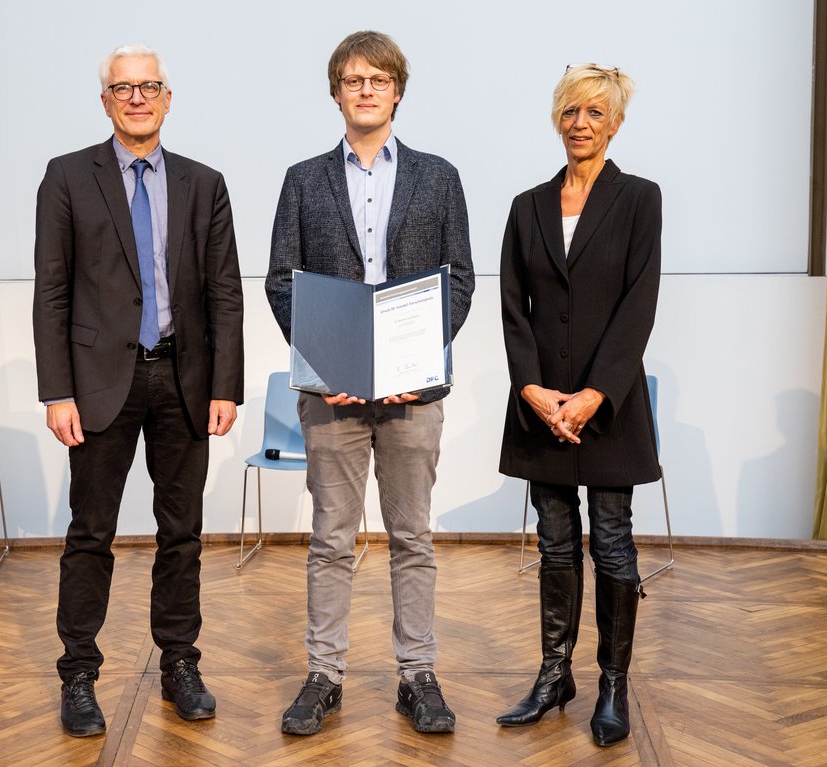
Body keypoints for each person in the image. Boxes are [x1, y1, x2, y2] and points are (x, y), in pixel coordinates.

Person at [265, 30, 475, 737]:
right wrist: (332, 364)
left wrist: (414, 365)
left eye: (377, 79)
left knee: (412, 536)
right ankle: (324, 674)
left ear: (396, 91)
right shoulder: (302, 179)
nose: (364, 90)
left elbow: (461, 282)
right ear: (335, 93)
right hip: (333, 394)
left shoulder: (439, 177)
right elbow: (282, 282)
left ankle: (417, 675)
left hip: (415, 394)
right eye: (352, 80)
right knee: (330, 538)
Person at [33, 43, 244, 738]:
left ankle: (180, 661)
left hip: (183, 379)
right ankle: (79, 672)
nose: (136, 97)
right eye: (123, 88)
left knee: (180, 534)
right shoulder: (67, 178)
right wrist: (56, 391)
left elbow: (224, 294)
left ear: (167, 97)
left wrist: (225, 384)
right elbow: (53, 293)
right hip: (98, 385)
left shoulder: (203, 183)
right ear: (105, 102)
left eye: (148, 85)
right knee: (90, 532)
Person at [495, 64, 661, 747]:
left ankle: (612, 683)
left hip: (607, 406)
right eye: (570, 111)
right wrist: (533, 390)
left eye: (595, 112)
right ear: (557, 120)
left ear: (615, 122)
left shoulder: (640, 198)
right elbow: (512, 304)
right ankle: (553, 674)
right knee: (555, 543)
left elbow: (638, 303)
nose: (581, 123)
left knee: (614, 542)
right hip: (543, 407)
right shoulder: (528, 204)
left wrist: (595, 394)